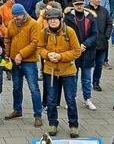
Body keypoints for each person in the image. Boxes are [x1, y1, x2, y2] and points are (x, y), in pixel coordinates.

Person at [38, 8, 82, 138]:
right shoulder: (43, 32)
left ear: (60, 20)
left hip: (68, 71)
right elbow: (40, 48)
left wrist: (61, 56)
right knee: (51, 100)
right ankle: (52, 123)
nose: (52, 21)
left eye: (54, 19)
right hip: (50, 71)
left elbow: (77, 51)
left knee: (70, 99)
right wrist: (47, 55)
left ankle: (73, 125)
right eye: (50, 19)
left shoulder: (70, 32)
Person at [3, 3, 43, 127]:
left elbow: (35, 42)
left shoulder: (34, 24)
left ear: (23, 13)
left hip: (29, 61)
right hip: (14, 60)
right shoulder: (11, 23)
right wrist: (7, 55)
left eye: (18, 16)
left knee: (34, 88)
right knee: (16, 87)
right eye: (14, 16)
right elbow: (7, 39)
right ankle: (17, 110)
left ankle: (38, 115)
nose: (15, 18)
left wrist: (21, 54)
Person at [64, 0, 98, 110]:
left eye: (81, 4)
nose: (79, 6)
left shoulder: (90, 17)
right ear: (73, 6)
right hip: (73, 52)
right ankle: (71, 99)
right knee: (73, 78)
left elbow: (94, 34)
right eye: (77, 4)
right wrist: (77, 46)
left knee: (87, 78)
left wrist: (85, 44)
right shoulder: (67, 18)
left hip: (87, 51)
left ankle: (87, 99)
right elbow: (65, 35)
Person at [86, 0, 112, 93]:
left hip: (102, 42)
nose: (99, 0)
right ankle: (86, 83)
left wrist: (107, 35)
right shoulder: (85, 10)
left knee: (99, 64)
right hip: (89, 43)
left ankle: (96, 82)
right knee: (87, 64)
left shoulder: (104, 11)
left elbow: (109, 23)